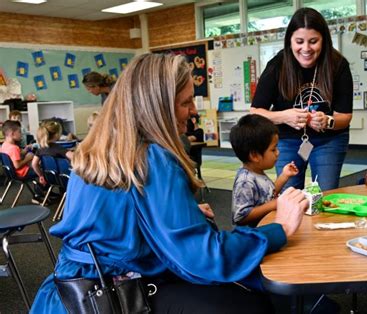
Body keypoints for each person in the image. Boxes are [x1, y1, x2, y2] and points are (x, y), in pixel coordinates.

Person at [31, 53, 308, 313]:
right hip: (117, 293)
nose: (192, 111)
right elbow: (204, 256)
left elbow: (114, 221)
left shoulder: (97, 150)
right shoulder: (152, 157)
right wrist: (279, 228)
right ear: (158, 107)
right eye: (185, 102)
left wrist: (178, 212)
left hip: (71, 289)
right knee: (251, 304)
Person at [250, 7, 353, 191]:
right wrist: (284, 117)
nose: (306, 49)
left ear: (324, 40)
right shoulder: (277, 65)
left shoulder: (338, 65)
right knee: (289, 194)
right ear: (290, 40)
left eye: (313, 41)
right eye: (299, 41)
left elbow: (344, 117)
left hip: (329, 141)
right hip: (287, 140)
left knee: (324, 194)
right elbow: (256, 112)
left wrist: (327, 121)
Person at [230, 114, 299, 227]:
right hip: (253, 239)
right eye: (273, 149)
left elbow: (268, 195)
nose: (278, 152)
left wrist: (284, 176)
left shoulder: (257, 171)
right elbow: (240, 216)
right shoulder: (245, 181)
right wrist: (275, 204)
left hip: (265, 229)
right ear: (255, 156)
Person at [0, 120, 44, 203]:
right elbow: (17, 165)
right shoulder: (14, 148)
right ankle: (38, 195)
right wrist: (28, 158)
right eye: (19, 132)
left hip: (11, 173)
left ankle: (43, 192)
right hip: (22, 172)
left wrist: (27, 149)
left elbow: (17, 154)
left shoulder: (4, 145)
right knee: (43, 171)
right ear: (12, 134)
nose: (21, 134)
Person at [31, 120, 74, 185]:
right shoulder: (58, 148)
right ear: (57, 135)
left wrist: (41, 175)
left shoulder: (40, 150)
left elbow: (34, 164)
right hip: (65, 179)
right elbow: (74, 157)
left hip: (49, 178)